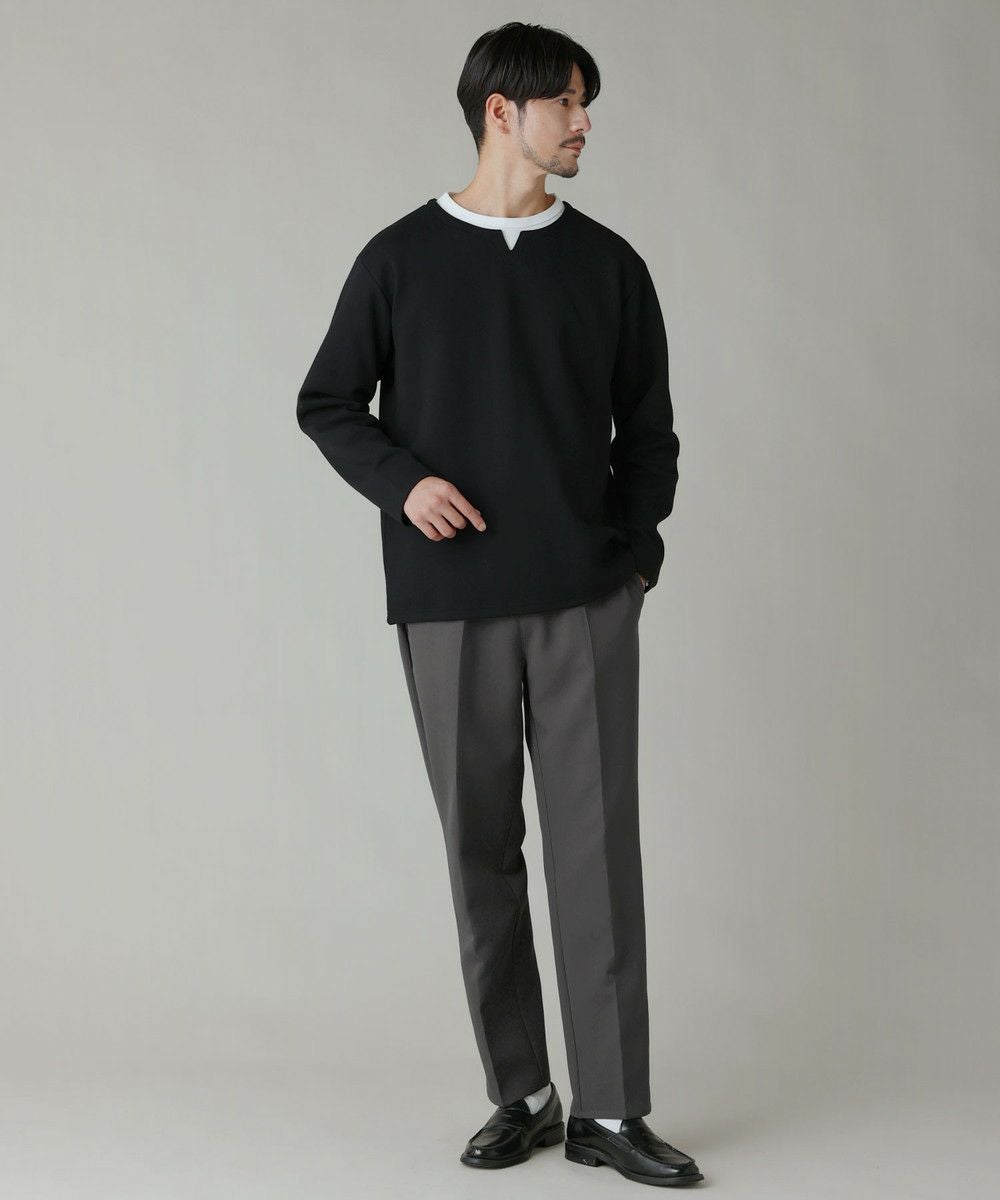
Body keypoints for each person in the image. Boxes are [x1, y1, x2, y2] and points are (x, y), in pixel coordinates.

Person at [296, 20, 704, 1188]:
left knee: (596, 851)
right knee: (479, 845)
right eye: (566, 102)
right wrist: (404, 483)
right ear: (500, 112)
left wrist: (634, 559)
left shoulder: (608, 266)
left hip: (584, 599)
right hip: (449, 603)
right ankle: (521, 1093)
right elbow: (329, 402)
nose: (583, 123)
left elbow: (649, 432)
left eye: (583, 103)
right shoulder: (399, 259)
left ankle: (609, 1111)